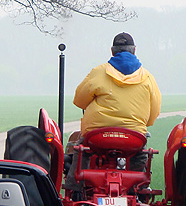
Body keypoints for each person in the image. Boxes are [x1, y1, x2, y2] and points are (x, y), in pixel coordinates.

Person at [65, 32, 162, 191]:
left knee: (81, 150)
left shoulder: (98, 72)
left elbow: (79, 101)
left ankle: (74, 190)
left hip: (97, 135)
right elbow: (154, 113)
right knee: (140, 155)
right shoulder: (148, 77)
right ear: (134, 50)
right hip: (133, 137)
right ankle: (136, 189)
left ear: (112, 51)